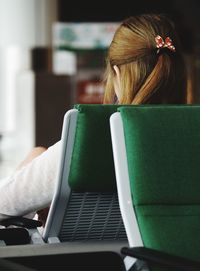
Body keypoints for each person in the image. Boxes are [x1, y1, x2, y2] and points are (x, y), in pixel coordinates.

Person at [0, 13, 188, 226]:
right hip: (167, 256)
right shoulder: (191, 135)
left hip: (84, 257)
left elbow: (3, 205)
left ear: (116, 72)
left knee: (36, 155)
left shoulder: (90, 142)